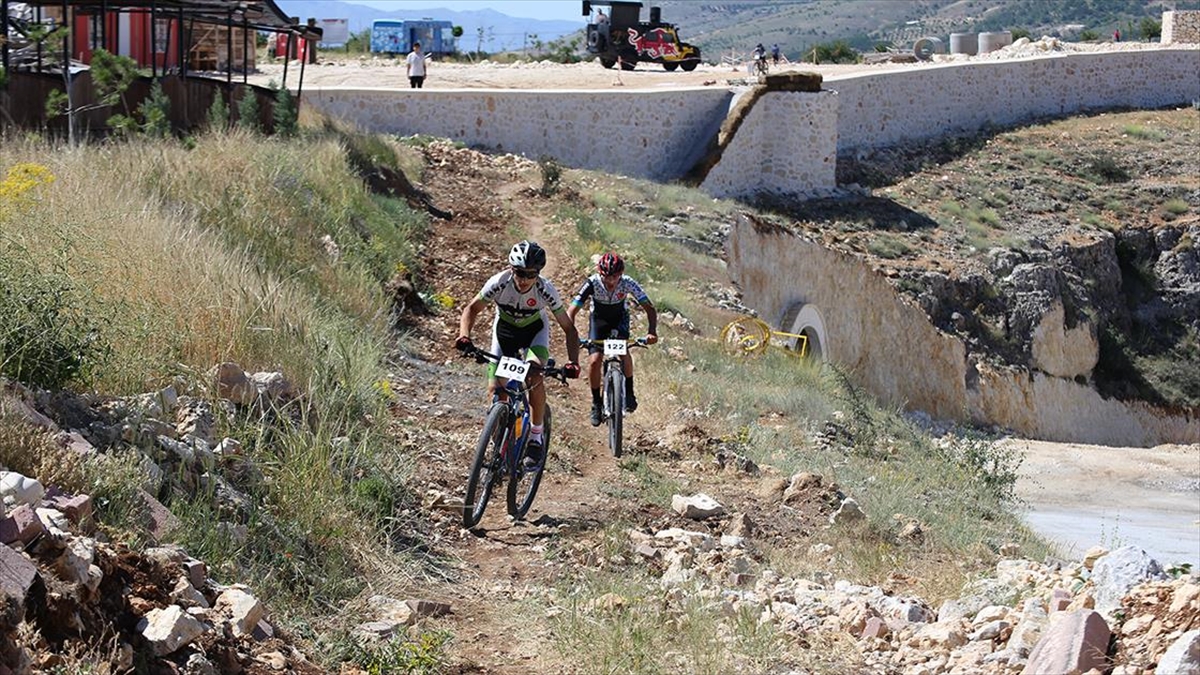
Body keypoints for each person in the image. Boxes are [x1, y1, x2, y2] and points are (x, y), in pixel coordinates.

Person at [456, 241, 581, 467]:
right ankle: (499, 445)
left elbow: (569, 328)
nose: (524, 280)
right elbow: (471, 309)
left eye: (530, 274)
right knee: (497, 389)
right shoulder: (499, 283)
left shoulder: (545, 289)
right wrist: (464, 336)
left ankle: (535, 436)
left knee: (533, 375)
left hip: (535, 334)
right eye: (519, 273)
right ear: (511, 269)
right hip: (505, 333)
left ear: (538, 274)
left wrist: (573, 361)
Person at [566, 252, 658, 427]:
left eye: (615, 277)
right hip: (599, 322)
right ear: (600, 273)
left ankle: (629, 393)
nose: (610, 281)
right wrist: (572, 334)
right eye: (606, 276)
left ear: (621, 274)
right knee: (594, 361)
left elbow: (650, 308)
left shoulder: (628, 283)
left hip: (619, 320)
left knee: (623, 353)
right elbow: (571, 311)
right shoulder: (592, 283)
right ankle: (596, 403)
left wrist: (651, 331)